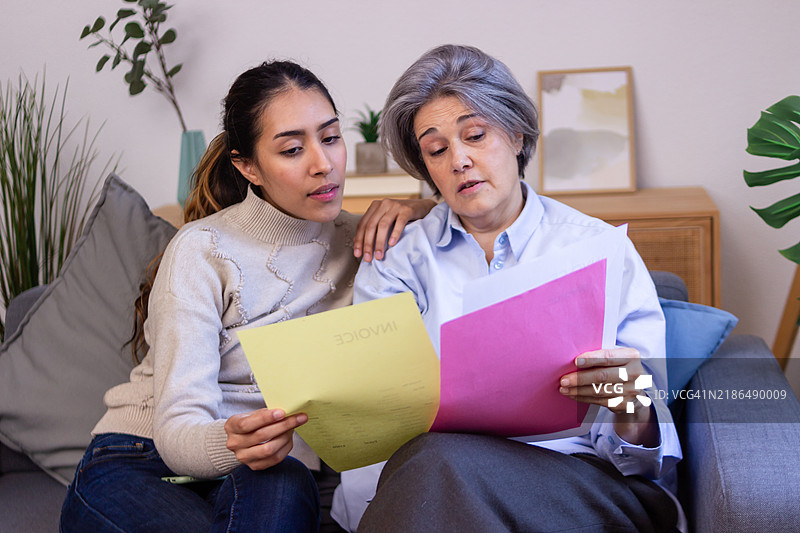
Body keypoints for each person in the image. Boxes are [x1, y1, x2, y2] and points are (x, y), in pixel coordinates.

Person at [60, 60, 434, 533]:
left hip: (267, 467)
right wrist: (231, 440)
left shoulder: (368, 240)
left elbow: (474, 211)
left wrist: (419, 206)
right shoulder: (201, 250)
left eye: (332, 138)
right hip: (141, 456)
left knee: (285, 483)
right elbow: (177, 431)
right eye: (294, 149)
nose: (323, 164)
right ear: (248, 167)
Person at [340, 45, 684, 532]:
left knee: (438, 465)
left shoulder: (598, 251)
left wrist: (633, 404)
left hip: (574, 487)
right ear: (426, 169)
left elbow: (645, 461)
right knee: (435, 463)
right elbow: (378, 424)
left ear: (517, 134)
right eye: (437, 150)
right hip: (429, 485)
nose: (459, 160)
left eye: (475, 135)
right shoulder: (398, 261)